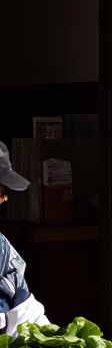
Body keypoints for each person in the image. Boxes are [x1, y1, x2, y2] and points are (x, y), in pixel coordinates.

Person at [0, 143, 48, 335]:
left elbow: (27, 313)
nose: (4, 198)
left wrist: (56, 345)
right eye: (1, 189)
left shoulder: (1, 249)